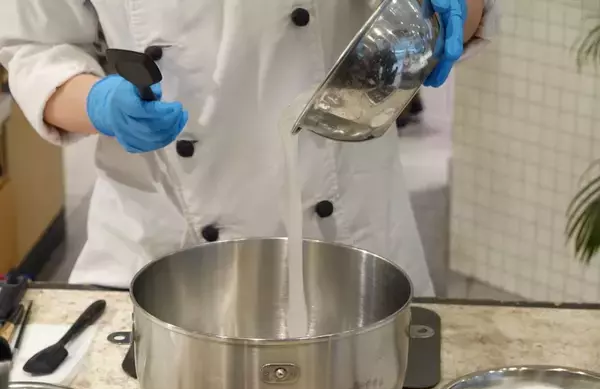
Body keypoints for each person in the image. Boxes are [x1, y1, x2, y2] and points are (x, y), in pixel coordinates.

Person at [0, 0, 497, 295]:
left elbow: (466, 11)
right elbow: (36, 47)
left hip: (349, 233)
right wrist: (98, 104)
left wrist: (454, 9)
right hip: (162, 241)